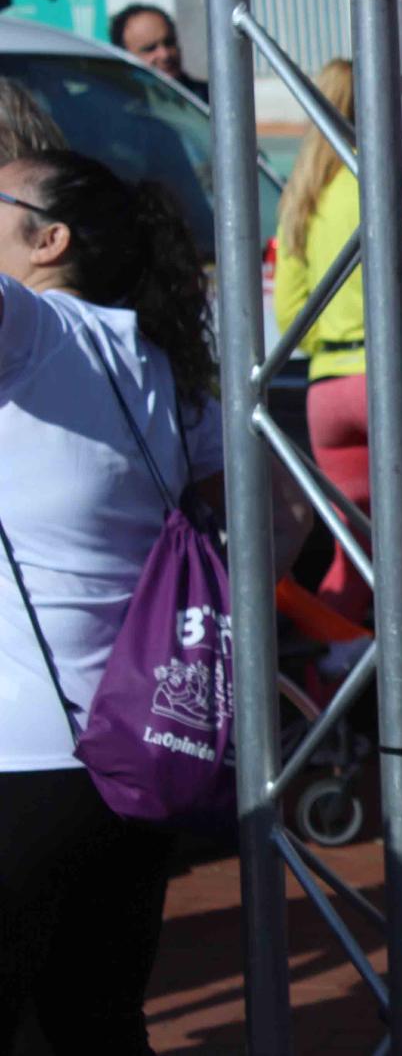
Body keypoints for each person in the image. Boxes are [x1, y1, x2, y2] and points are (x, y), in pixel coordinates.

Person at [0, 148, 302, 1053]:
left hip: (23, 758)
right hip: (140, 748)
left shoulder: (32, 332)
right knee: (95, 1018)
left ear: (48, 240)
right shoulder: (156, 358)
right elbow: (282, 517)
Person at [275, 58, 370, 624]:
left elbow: (289, 311)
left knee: (352, 553)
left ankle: (332, 667)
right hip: (388, 381)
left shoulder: (300, 196)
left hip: (324, 391)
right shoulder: (383, 183)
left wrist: (333, 333)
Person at [110, 4, 208, 102]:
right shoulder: (115, 109)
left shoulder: (212, 100)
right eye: (150, 49)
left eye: (169, 43)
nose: (165, 55)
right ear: (125, 58)